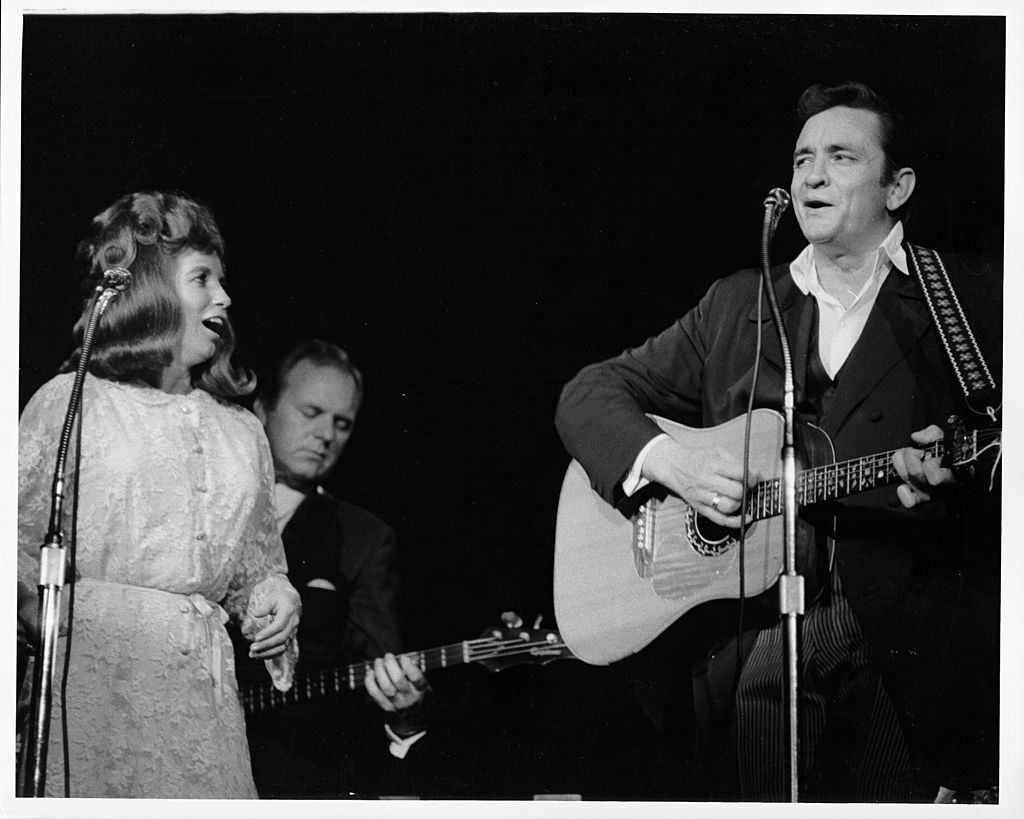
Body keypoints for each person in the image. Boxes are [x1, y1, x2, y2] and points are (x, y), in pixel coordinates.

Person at [555, 81, 1000, 802]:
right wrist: (679, 466)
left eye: (841, 157)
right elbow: (586, 395)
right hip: (748, 665)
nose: (812, 176)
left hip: (909, 658)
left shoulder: (977, 301)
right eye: (801, 161)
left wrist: (970, 481)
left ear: (898, 187)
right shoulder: (739, 303)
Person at [16, 191, 302, 798]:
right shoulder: (71, 403)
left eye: (222, 280)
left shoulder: (240, 430)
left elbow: (256, 567)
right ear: (150, 288)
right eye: (202, 277)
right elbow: (14, 548)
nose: (223, 297)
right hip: (94, 690)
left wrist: (272, 600)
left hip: (204, 698)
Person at [233, 339, 429, 798]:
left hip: (286, 779)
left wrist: (405, 709)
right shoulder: (210, 507)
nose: (326, 434)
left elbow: (378, 671)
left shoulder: (363, 538)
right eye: (311, 412)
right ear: (262, 409)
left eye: (342, 423)